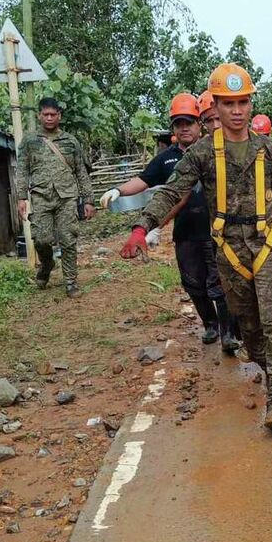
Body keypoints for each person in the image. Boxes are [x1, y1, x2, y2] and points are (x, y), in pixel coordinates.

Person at [120, 63, 272, 431]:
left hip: (267, 246)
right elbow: (172, 191)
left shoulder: (269, 150)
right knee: (250, 333)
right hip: (229, 253)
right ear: (215, 108)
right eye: (228, 104)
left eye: (242, 102)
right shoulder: (201, 154)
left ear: (251, 104)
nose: (236, 111)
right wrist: (143, 226)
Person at [100, 92, 241, 354]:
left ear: (199, 123)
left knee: (219, 283)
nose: (184, 127)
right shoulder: (166, 159)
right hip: (186, 233)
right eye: (179, 123)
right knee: (193, 283)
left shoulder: (215, 151)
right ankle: (210, 324)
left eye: (189, 122)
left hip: (216, 232)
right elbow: (144, 182)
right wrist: (118, 190)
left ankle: (228, 333)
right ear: (174, 128)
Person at [15, 97, 94, 298]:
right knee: (41, 239)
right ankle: (47, 263)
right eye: (45, 115)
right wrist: (21, 197)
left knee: (68, 239)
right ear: (39, 115)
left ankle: (70, 281)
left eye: (53, 114)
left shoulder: (70, 141)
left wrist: (89, 200)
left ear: (59, 115)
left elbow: (81, 172)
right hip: (41, 197)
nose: (49, 118)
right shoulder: (29, 141)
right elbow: (22, 170)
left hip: (67, 197)